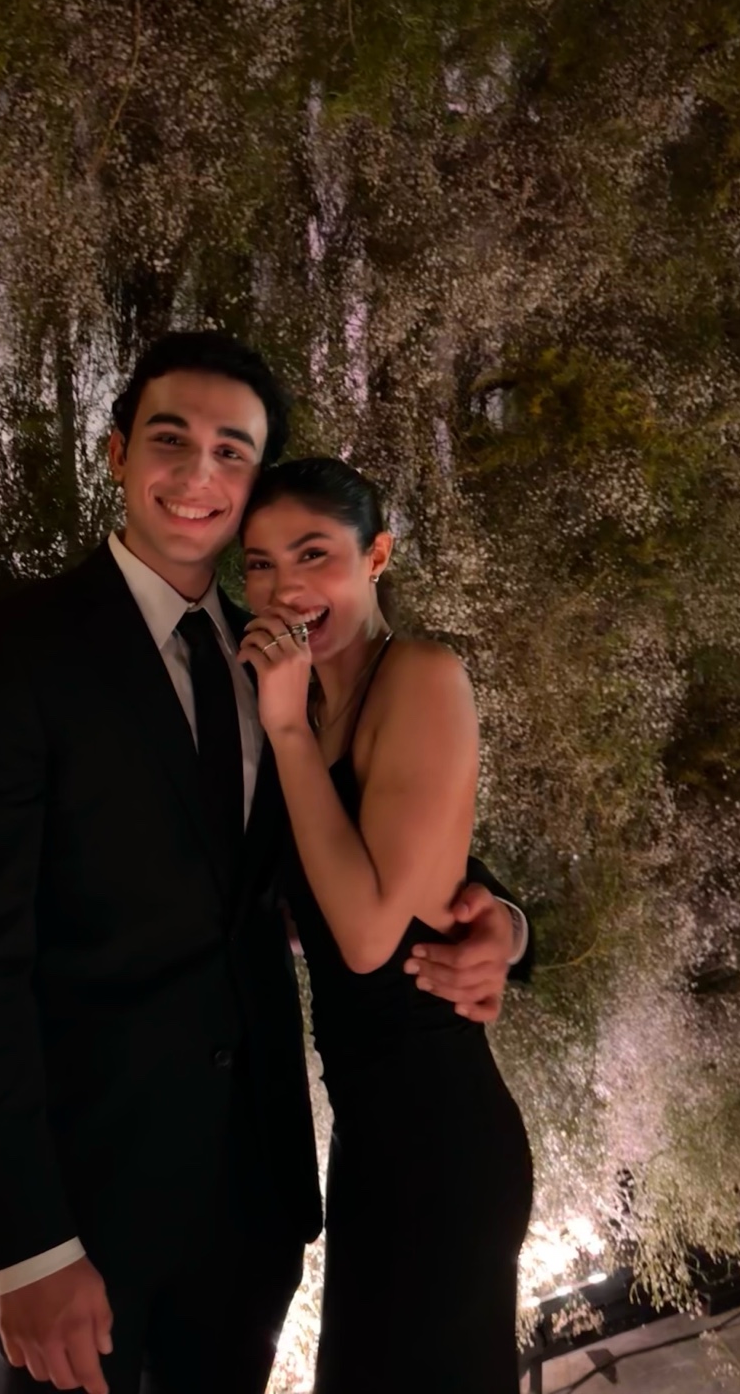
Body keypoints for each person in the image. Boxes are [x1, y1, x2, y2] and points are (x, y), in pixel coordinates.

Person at [0, 333, 530, 1394]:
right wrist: (26, 1242)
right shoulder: (14, 649)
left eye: (232, 451)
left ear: (252, 483)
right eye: (170, 439)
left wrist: (510, 927)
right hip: (82, 1224)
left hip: (253, 1215)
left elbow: (391, 838)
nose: (198, 472)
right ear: (117, 453)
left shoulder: (279, 664)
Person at [238, 456, 534, 1394]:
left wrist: (287, 732)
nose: (285, 587)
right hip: (368, 1138)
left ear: (377, 557)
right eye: (259, 563)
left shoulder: (419, 677)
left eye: (313, 554)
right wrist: (508, 922)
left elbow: (368, 938)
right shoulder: (301, 703)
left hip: (440, 1133)